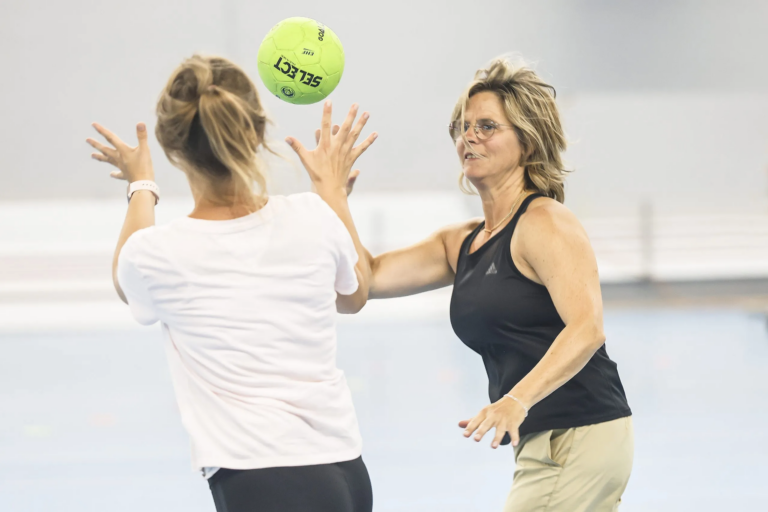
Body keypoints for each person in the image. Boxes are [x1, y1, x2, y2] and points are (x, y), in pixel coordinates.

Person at [86, 55, 377, 512]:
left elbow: (126, 273)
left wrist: (141, 182)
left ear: (172, 145)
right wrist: (334, 195)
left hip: (262, 483)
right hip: (347, 471)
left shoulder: (156, 256)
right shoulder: (312, 214)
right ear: (258, 132)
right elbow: (355, 294)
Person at [346, 58, 634, 511]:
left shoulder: (545, 223)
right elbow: (365, 283)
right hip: (540, 443)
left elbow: (587, 327)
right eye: (464, 127)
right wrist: (334, 198)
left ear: (527, 141)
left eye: (487, 126)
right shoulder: (460, 243)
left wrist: (516, 400)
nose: (470, 137)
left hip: (579, 435)